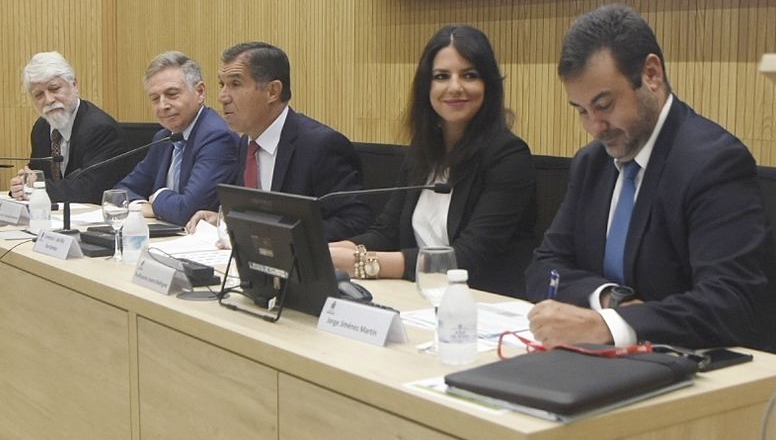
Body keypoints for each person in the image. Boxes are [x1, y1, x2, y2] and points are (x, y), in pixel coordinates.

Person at [526, 4, 776, 350]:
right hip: (601, 363)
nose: (595, 128)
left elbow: (730, 303)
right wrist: (608, 300)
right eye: (582, 111)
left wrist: (609, 326)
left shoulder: (713, 163)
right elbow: (544, 266)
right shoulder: (591, 164)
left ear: (651, 74)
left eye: (604, 105)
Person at [332, 25, 537, 298]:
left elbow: (467, 258)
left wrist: (363, 263)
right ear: (426, 87)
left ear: (488, 84)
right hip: (417, 297)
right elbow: (386, 233)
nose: (455, 87)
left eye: (469, 75)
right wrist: (329, 250)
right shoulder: (424, 152)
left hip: (481, 305)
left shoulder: (509, 157)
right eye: (441, 76)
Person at [199, 41, 373, 240]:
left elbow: (356, 223)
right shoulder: (246, 143)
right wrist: (225, 221)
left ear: (273, 91)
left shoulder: (321, 145)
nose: (222, 97)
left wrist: (278, 237)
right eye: (222, 84)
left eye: (235, 84)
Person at [116, 51, 237, 226]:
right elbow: (121, 192)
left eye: (172, 94)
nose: (163, 105)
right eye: (155, 98)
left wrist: (157, 198)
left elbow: (188, 211)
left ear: (200, 92)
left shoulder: (216, 137)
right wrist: (143, 206)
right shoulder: (164, 137)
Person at [9, 52, 124, 203]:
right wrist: (21, 184)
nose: (48, 100)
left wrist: (35, 189)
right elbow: (36, 174)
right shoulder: (42, 128)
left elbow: (90, 189)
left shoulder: (100, 129)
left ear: (74, 85)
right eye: (39, 95)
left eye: (55, 89)